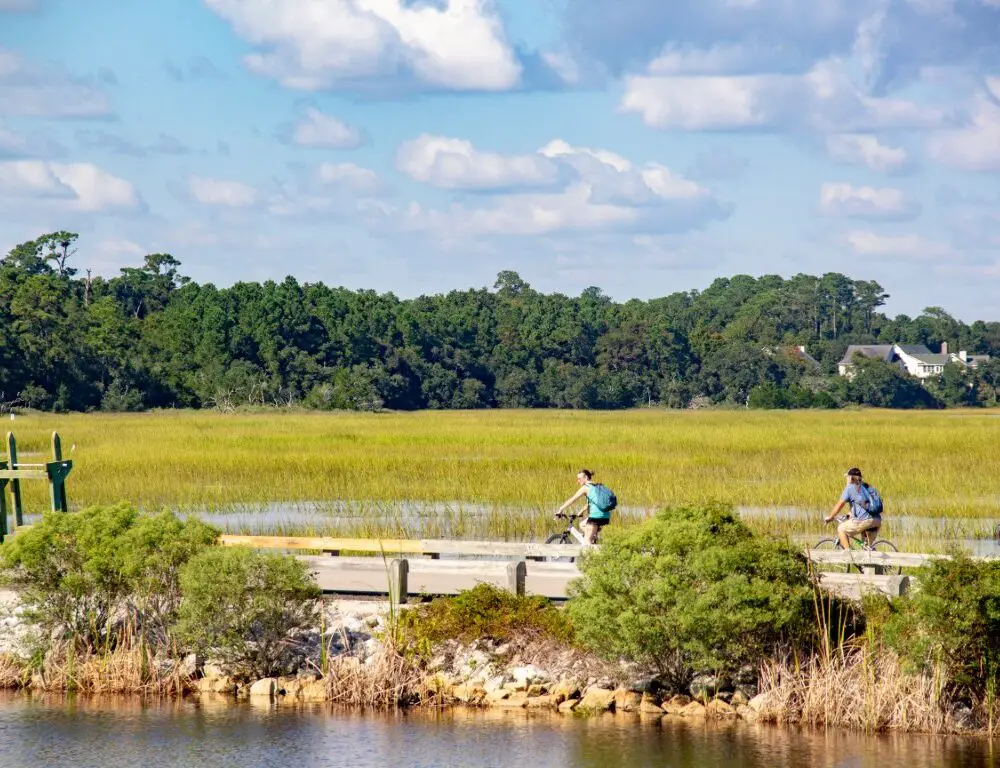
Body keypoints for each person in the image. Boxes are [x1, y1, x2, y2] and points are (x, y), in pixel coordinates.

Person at [825, 467, 880, 549]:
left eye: (847, 477)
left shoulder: (850, 488)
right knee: (867, 550)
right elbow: (861, 504)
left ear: (851, 478)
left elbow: (839, 505)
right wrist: (849, 514)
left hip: (864, 521)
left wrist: (830, 517)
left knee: (841, 529)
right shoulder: (868, 487)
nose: (846, 479)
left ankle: (849, 556)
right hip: (877, 520)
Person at [555, 468, 611, 545]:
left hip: (596, 516)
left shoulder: (585, 487)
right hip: (606, 515)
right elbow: (592, 502)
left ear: (586, 478)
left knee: (587, 542)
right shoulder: (597, 486)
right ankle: (596, 540)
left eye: (579, 479)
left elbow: (572, 499)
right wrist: (581, 512)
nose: (578, 481)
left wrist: (560, 509)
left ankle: (594, 552)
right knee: (582, 525)